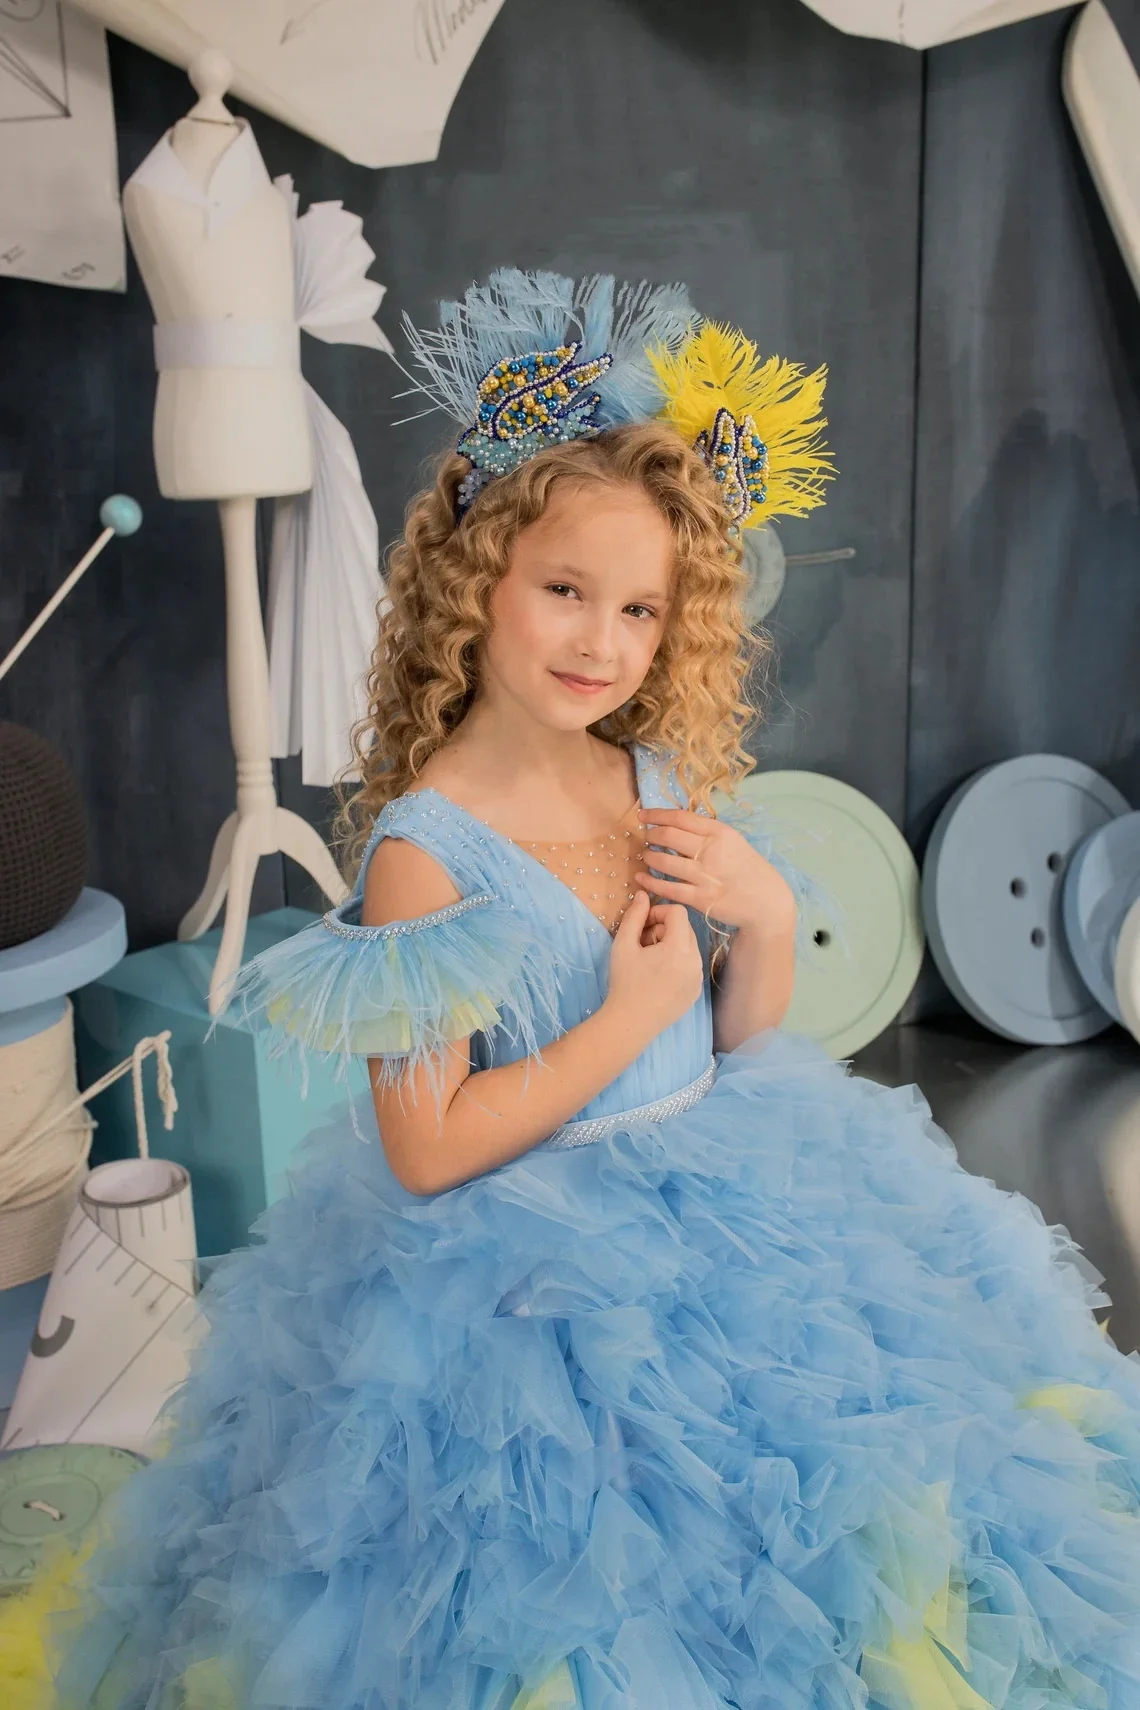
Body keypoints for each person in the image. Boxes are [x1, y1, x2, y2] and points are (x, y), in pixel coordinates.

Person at [51, 271, 1140, 1710]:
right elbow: (427, 1148)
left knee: (866, 1494)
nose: (599, 641)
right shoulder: (423, 856)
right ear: (475, 575)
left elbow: (733, 1037)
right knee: (590, 1570)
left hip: (733, 1186)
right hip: (522, 1271)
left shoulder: (651, 774)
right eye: (565, 589)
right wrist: (624, 1018)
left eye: (639, 610)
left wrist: (756, 918)